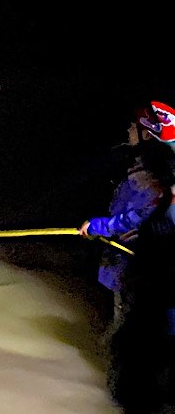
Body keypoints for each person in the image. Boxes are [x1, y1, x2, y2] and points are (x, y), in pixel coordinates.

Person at [79, 102, 175, 410]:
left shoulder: (155, 183)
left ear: (148, 136)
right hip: (147, 272)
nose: (128, 130)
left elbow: (138, 217)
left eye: (134, 127)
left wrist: (99, 226)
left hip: (143, 273)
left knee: (132, 335)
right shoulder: (152, 174)